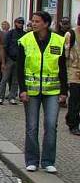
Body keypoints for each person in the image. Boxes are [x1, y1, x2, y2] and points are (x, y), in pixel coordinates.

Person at [17, 11, 67, 173]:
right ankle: (32, 160)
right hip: (31, 91)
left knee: (51, 125)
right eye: (32, 21)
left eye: (37, 21)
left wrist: (64, 91)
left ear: (46, 24)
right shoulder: (25, 40)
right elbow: (20, 67)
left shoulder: (59, 41)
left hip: (53, 90)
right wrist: (22, 90)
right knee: (32, 127)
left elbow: (63, 68)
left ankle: (48, 161)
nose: (33, 23)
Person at [0, 17, 26, 105]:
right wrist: (3, 61)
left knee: (16, 80)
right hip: (10, 59)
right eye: (18, 22)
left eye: (22, 23)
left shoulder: (24, 34)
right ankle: (0, 97)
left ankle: (12, 97)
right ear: (15, 23)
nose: (20, 24)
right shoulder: (10, 33)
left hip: (20, 60)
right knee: (4, 79)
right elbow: (4, 47)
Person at [65, 14, 80, 136]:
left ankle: (71, 117)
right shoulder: (71, 34)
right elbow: (64, 54)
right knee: (75, 97)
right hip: (74, 72)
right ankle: (73, 124)